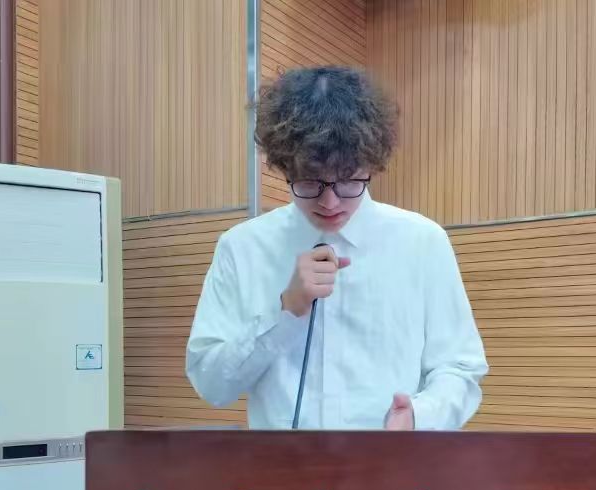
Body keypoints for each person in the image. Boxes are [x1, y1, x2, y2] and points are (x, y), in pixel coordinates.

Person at [186, 66, 488, 431]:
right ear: (285, 169)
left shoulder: (422, 242)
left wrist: (419, 417)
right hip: (280, 463)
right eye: (309, 182)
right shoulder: (242, 248)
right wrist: (284, 312)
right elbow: (211, 384)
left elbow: (459, 368)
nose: (330, 202)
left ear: (371, 166)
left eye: (348, 181)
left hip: (390, 461)